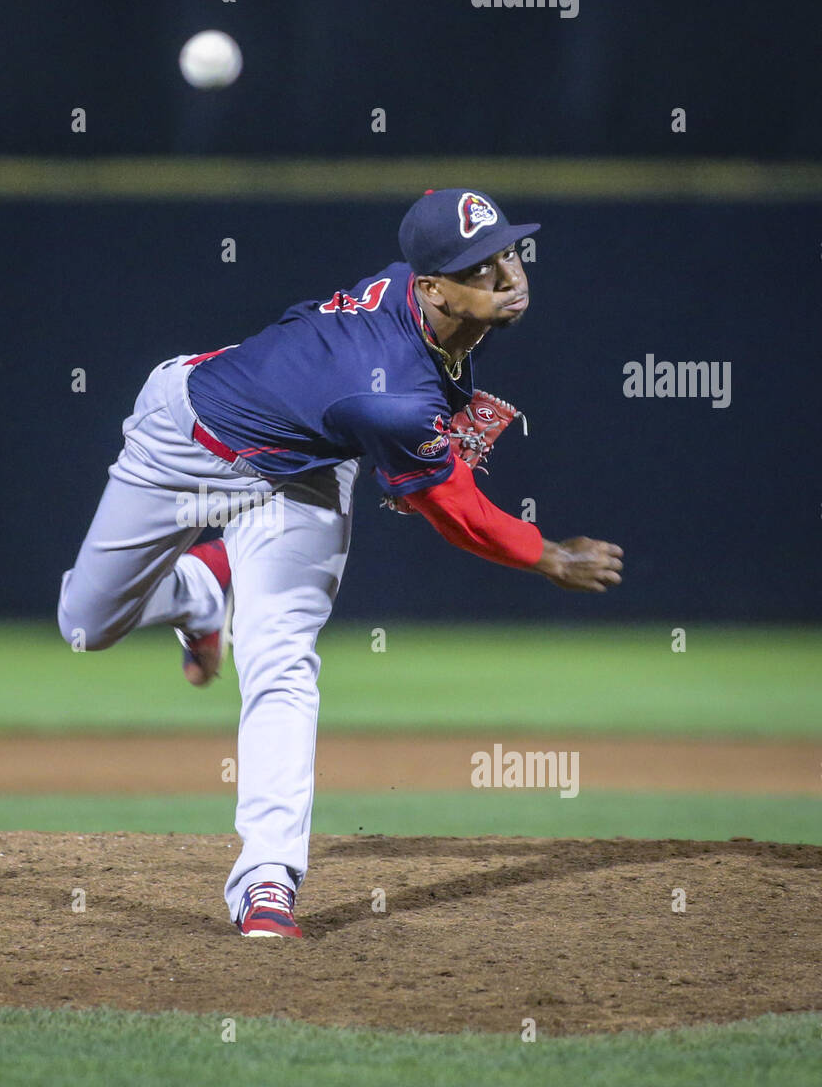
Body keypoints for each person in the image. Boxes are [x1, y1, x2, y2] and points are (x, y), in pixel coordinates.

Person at [57, 189, 623, 938]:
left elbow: (416, 378)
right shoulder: (385, 397)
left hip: (303, 477)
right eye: (480, 268)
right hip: (184, 445)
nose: (508, 274)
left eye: (508, 252)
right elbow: (453, 511)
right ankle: (199, 594)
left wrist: (440, 413)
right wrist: (547, 555)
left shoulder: (426, 299)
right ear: (430, 287)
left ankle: (266, 881)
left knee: (283, 659)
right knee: (85, 624)